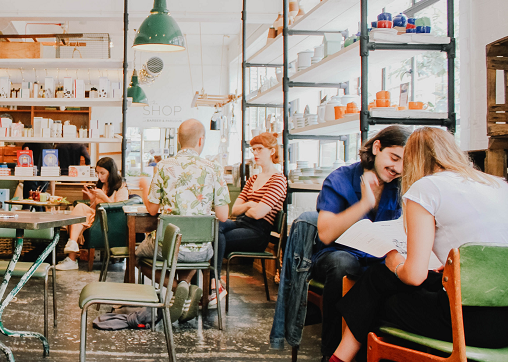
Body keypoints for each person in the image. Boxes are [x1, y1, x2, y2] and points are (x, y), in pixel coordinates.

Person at [330, 127, 508, 361]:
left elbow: (414, 276)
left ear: (412, 159)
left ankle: (339, 356)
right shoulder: (498, 185)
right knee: (379, 281)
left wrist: (394, 262)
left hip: (465, 323)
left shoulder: (427, 188)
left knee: (380, 291)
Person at [310, 125, 410, 359]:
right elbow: (325, 234)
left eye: (405, 163)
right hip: (337, 256)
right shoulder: (340, 178)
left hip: (380, 258)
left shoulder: (401, 186)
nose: (397, 168)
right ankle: (332, 353)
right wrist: (364, 204)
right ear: (377, 147)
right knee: (345, 265)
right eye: (394, 158)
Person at [140, 119, 230, 323]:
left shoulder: (163, 166)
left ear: (179, 141)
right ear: (201, 140)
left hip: (169, 247)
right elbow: (223, 216)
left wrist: (145, 187)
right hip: (202, 249)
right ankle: (186, 289)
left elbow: (152, 210)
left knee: (137, 256)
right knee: (192, 250)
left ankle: (178, 289)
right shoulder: (214, 168)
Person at [213, 132, 287, 306]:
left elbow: (259, 214)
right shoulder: (253, 178)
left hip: (258, 232)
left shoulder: (278, 180)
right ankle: (213, 284)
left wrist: (250, 206)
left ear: (272, 151)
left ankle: (212, 283)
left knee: (215, 237)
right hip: (241, 224)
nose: (255, 153)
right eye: (253, 149)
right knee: (214, 226)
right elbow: (235, 209)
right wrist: (249, 205)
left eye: (260, 149)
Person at [55, 157, 129, 271]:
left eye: (102, 173)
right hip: (98, 216)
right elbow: (95, 207)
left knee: (79, 214)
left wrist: (103, 197)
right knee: (79, 209)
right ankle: (72, 247)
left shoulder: (121, 186)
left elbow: (120, 208)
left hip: (111, 220)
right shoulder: (101, 185)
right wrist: (92, 198)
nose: (99, 176)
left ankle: (72, 258)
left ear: (111, 171)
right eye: (97, 173)